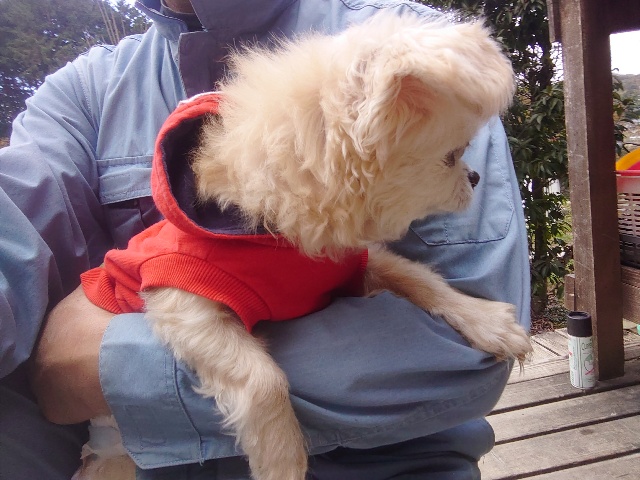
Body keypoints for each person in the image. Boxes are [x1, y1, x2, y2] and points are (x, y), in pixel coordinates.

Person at [0, 0, 530, 479]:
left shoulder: (420, 61)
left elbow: (460, 359)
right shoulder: (84, 93)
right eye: (449, 157)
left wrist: (106, 365)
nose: (462, 168)